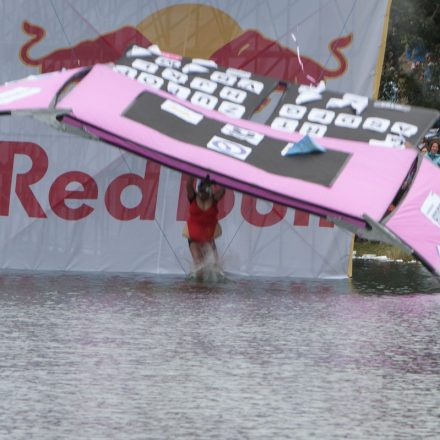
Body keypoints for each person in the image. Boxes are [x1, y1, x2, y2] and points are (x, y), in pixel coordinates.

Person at [183, 174, 225, 273]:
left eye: (206, 190)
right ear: (199, 189)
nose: (203, 193)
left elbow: (223, 190)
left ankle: (210, 286)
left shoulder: (214, 199)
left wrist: (223, 176)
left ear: (210, 191)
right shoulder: (193, 197)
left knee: (215, 265)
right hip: (193, 238)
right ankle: (197, 285)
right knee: (199, 264)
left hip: (208, 237)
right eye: (202, 190)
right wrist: (193, 171)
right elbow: (189, 185)